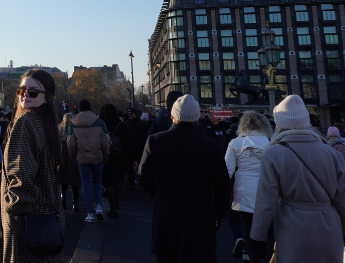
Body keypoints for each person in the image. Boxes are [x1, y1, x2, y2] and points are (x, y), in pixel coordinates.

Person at [249, 95, 345, 262]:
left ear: (279, 123)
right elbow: (342, 198)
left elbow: (266, 201)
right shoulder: (331, 153)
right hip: (330, 225)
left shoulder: (272, 154)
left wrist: (258, 236)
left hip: (293, 227)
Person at [139, 94, 229, 262]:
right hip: (200, 215)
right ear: (196, 119)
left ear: (173, 117)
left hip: (167, 212)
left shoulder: (155, 141)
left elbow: (144, 176)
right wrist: (218, 214)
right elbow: (222, 184)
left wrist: (157, 195)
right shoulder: (209, 146)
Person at [0, 69, 63, 263]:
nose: (25, 95)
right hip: (47, 217)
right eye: (21, 90)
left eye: (33, 92)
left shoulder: (25, 122)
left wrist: (12, 210)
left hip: (26, 222)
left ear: (46, 97)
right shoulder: (46, 123)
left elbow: (21, 180)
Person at [224, 111, 273, 263]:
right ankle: (268, 257)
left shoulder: (235, 143)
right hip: (267, 190)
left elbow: (227, 171)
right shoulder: (271, 142)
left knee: (246, 226)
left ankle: (253, 259)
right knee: (269, 227)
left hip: (244, 190)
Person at [67, 100, 109, 223]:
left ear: (79, 109)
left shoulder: (73, 123)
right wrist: (105, 156)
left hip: (82, 157)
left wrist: (74, 157)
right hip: (98, 156)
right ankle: (99, 207)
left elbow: (71, 144)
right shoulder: (100, 122)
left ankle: (90, 213)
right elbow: (105, 142)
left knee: (86, 184)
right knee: (98, 182)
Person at [100, 104, 126, 218]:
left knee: (108, 182)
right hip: (118, 155)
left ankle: (112, 207)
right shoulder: (120, 124)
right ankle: (116, 203)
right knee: (117, 181)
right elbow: (126, 141)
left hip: (105, 155)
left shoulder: (101, 124)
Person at [58, 113, 81, 212]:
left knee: (63, 181)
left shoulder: (59, 130)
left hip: (63, 158)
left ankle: (63, 198)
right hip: (74, 159)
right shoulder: (76, 130)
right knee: (75, 183)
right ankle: (75, 203)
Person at [123, 108, 148, 191]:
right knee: (131, 168)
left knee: (139, 168)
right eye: (129, 114)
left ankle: (138, 184)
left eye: (131, 113)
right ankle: (132, 184)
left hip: (138, 148)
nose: (130, 115)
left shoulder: (140, 124)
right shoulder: (128, 124)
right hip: (132, 148)